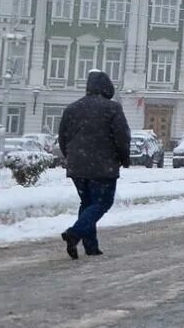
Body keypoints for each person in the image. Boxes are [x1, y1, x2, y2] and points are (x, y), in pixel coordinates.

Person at [56, 70, 132, 259]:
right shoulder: (112, 108)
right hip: (103, 166)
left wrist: (72, 158)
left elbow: (62, 138)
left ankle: (91, 247)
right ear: (107, 88)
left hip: (77, 166)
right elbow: (122, 137)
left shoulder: (72, 108)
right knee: (103, 202)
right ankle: (74, 234)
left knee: (87, 203)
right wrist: (124, 158)